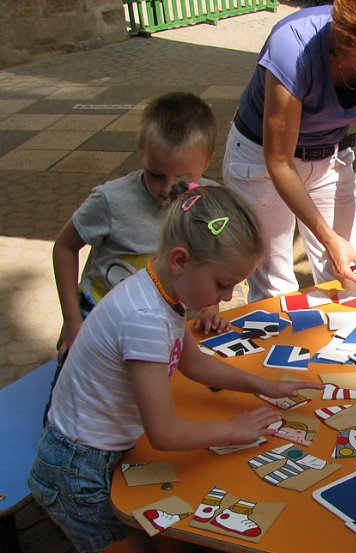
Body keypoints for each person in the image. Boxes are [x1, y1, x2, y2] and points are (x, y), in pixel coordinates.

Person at [29, 184, 323, 553]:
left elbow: (194, 363)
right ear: (180, 260)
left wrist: (261, 384)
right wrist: (233, 429)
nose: (227, 296)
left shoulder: (160, 288)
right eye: (222, 284)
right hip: (76, 471)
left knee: (160, 552)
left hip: (99, 448)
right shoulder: (146, 318)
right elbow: (164, 433)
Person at [223, 0, 356, 302]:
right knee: (276, 289)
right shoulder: (293, 46)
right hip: (261, 160)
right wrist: (327, 237)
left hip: (328, 155)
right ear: (354, 40)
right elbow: (279, 162)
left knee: (351, 278)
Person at [52, 92, 228, 365]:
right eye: (156, 175)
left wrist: (210, 306)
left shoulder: (211, 202)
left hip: (164, 324)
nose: (167, 188)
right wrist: (72, 320)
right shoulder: (112, 200)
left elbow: (211, 260)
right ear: (142, 154)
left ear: (207, 161)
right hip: (100, 319)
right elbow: (65, 247)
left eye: (182, 178)